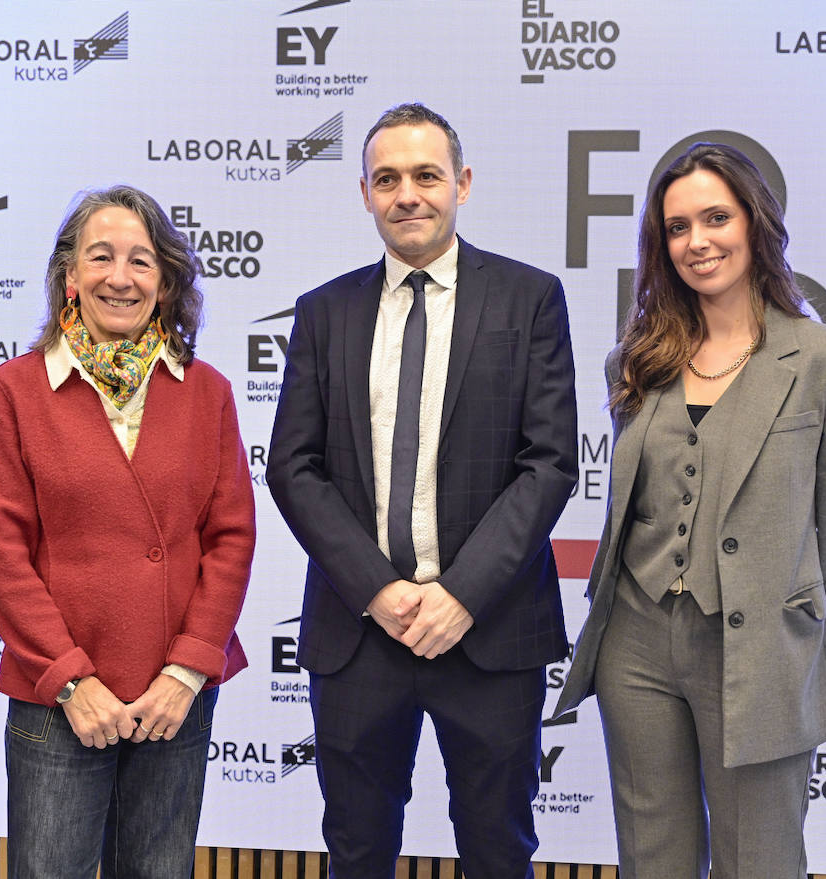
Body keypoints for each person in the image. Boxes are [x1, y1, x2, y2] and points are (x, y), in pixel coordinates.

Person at [267, 102, 578, 879]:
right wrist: (378, 590)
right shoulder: (322, 312)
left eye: (426, 175)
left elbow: (548, 464)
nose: (408, 194)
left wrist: (461, 593)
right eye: (387, 178)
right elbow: (292, 467)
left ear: (462, 184)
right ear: (365, 193)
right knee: (358, 851)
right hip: (359, 632)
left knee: (498, 849)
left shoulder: (529, 300)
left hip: (490, 628)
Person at [555, 142, 826, 878]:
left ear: (754, 222)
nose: (697, 242)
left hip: (760, 651)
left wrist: (784, 611)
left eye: (714, 218)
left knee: (758, 861)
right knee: (652, 860)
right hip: (634, 644)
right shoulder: (637, 361)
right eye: (676, 227)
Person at [0, 184, 255, 878]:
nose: (120, 277)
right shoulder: (17, 389)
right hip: (59, 697)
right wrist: (72, 680)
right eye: (101, 257)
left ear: (164, 283)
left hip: (172, 699)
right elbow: (4, 555)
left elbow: (231, 538)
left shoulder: (207, 390)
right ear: (70, 276)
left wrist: (188, 669)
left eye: (140, 260)